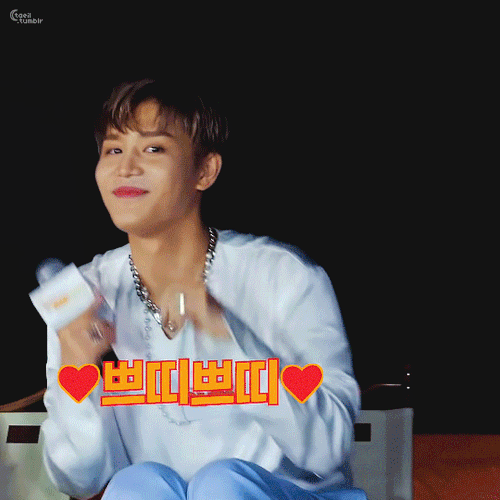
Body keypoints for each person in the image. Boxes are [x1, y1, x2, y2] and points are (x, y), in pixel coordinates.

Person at [41, 79, 367, 500]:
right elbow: (79, 481)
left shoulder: (284, 276)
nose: (126, 168)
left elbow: (328, 448)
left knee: (222, 485)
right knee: (135, 485)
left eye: (153, 148)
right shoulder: (86, 293)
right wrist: (77, 368)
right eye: (113, 150)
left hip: (289, 493)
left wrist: (229, 338)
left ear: (205, 171)